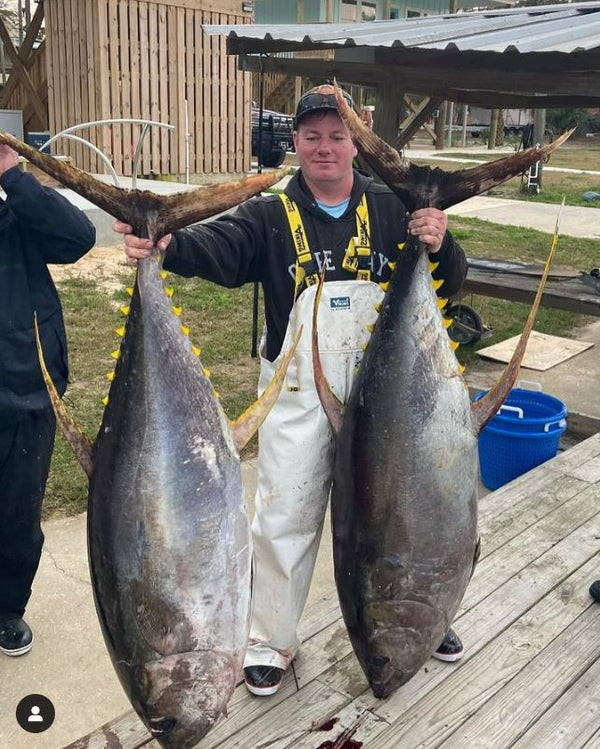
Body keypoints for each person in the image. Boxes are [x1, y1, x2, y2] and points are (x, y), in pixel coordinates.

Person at [115, 84, 468, 696]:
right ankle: (270, 638)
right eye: (312, 137)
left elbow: (452, 283)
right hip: (298, 397)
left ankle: (422, 615)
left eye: (337, 136)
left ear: (355, 146)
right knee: (284, 516)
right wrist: (168, 245)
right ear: (296, 143)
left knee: (412, 508)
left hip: (389, 395)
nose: (324, 148)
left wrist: (440, 240)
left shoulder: (392, 208)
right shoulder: (269, 214)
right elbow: (219, 253)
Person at [0, 145, 96, 656]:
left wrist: (13, 176)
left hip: (28, 389)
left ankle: (7, 608)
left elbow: (79, 238)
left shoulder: (19, 211)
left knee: (18, 514)